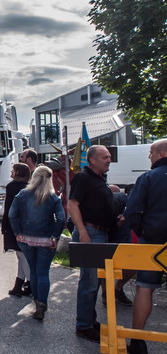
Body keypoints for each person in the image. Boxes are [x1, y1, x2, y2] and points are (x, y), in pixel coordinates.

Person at [68, 145, 118, 342]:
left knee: (95, 281)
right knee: (89, 282)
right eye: (105, 157)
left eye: (109, 157)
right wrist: (82, 232)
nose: (109, 160)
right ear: (92, 160)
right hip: (90, 233)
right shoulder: (83, 177)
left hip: (99, 233)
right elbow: (72, 205)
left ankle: (90, 319)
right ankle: (84, 326)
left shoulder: (99, 179)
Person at [123, 138, 167, 354]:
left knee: (144, 287)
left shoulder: (148, 178)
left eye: (150, 153)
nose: (149, 156)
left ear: (160, 154)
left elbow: (132, 211)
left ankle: (138, 340)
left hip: (153, 243)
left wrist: (143, 233)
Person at [9, 166, 66, 320]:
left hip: (26, 239)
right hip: (47, 240)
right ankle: (42, 304)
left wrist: (18, 233)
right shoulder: (52, 197)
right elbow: (61, 218)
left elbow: (12, 214)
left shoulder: (22, 194)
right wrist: (55, 236)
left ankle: (36, 302)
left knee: (33, 271)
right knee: (43, 272)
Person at [1, 163, 32, 297]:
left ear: (18, 173)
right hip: (26, 225)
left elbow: (9, 209)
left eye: (13, 171)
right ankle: (19, 284)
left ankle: (30, 284)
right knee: (21, 255)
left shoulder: (12, 187)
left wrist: (5, 226)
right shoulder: (28, 187)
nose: (10, 173)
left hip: (14, 226)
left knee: (22, 255)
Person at [100, 185, 133, 308]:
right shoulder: (121, 203)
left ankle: (114, 290)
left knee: (133, 265)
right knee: (105, 265)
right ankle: (109, 292)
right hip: (111, 243)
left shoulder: (123, 207)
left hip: (120, 243)